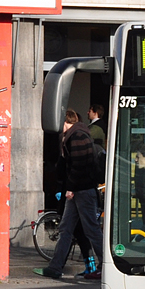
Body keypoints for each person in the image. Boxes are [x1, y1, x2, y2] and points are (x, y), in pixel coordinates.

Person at [35, 109, 104, 280]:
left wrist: (71, 187)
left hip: (81, 191)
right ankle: (55, 267)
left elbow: (79, 165)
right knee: (66, 228)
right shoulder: (75, 135)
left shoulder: (77, 136)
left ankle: (106, 265)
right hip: (79, 191)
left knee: (91, 230)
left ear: (64, 122)